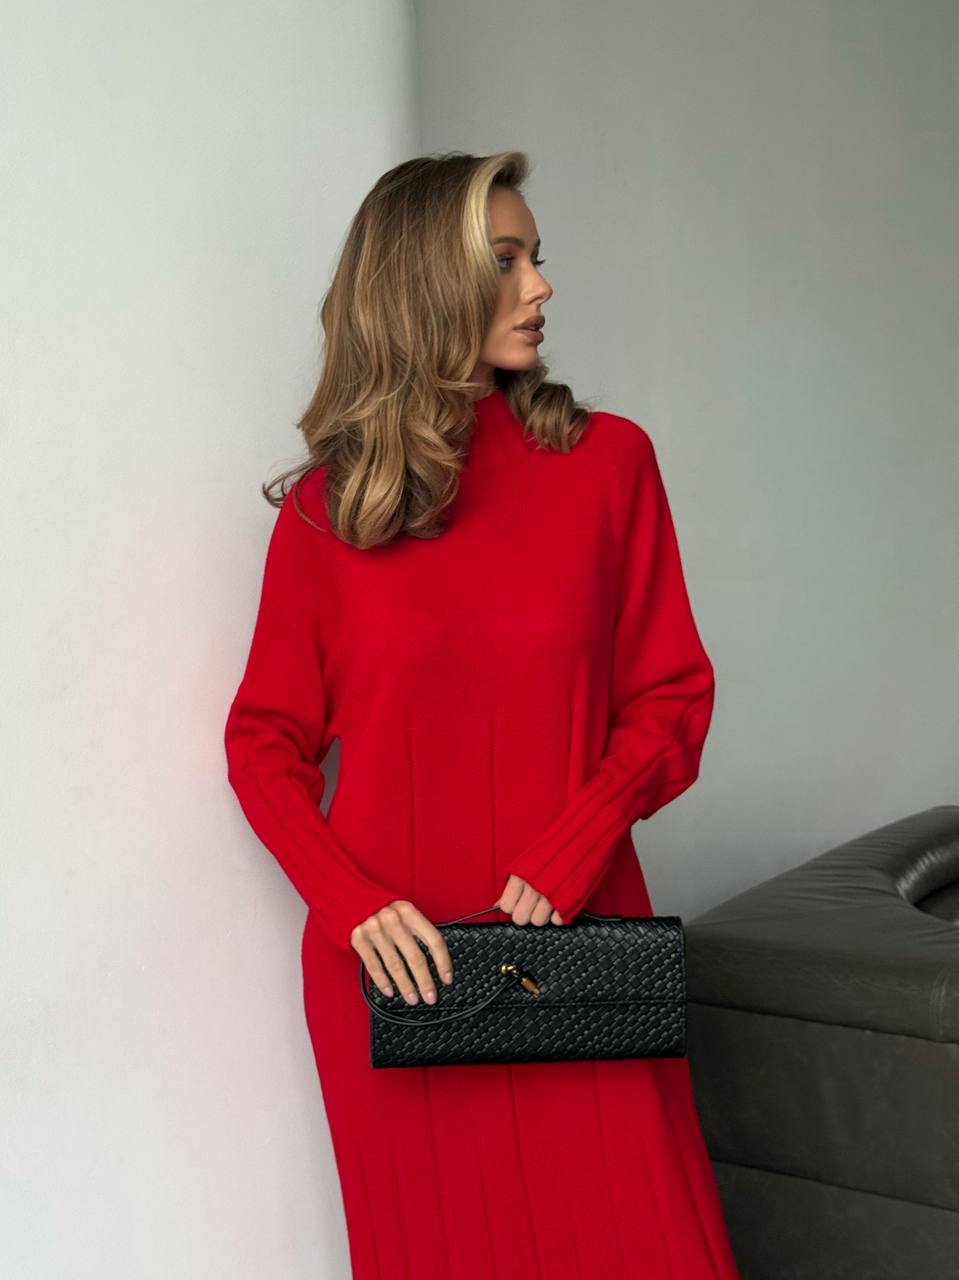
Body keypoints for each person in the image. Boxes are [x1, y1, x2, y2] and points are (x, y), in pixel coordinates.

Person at [223, 149, 741, 1278]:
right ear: (421, 283)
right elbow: (262, 739)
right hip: (401, 986)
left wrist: (579, 837)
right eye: (504, 261)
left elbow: (670, 698)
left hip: (573, 948)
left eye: (535, 259)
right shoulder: (328, 514)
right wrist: (350, 903)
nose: (539, 285)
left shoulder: (607, 465)